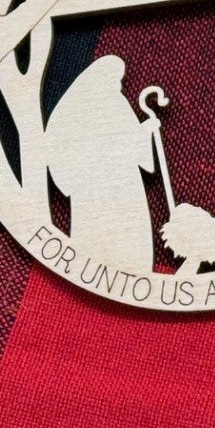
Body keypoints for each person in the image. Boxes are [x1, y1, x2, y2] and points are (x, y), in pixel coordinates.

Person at [41, 55, 162, 271]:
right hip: (114, 183)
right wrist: (147, 129)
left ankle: (117, 267)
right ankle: (127, 267)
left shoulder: (71, 109)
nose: (118, 84)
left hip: (94, 187)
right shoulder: (107, 104)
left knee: (109, 228)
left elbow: (126, 139)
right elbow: (128, 142)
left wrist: (146, 129)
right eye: (117, 79)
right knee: (117, 226)